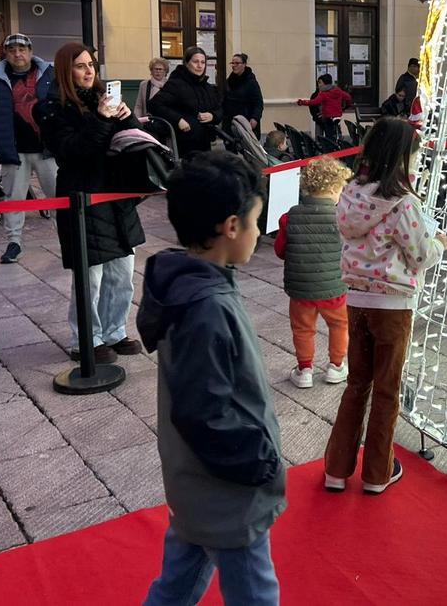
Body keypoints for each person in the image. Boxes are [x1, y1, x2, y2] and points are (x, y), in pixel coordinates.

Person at [137, 152, 284, 606]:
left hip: (197, 482)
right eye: (256, 222)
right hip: (228, 489)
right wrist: (261, 461)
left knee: (179, 583)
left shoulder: (193, 286)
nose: (259, 233)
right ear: (232, 226)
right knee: (255, 594)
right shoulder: (208, 306)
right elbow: (204, 410)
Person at [323, 118, 447, 494]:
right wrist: (441, 243)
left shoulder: (351, 194)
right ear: (402, 157)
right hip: (393, 304)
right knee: (387, 390)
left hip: (356, 299)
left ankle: (336, 469)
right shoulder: (403, 203)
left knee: (356, 384)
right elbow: (420, 256)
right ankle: (378, 472)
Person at [35, 42, 145, 364]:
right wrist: (100, 118)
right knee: (90, 275)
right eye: (80, 66)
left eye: (91, 65)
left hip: (115, 195)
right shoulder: (51, 108)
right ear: (65, 70)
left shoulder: (104, 99)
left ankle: (115, 331)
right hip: (83, 194)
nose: (88, 71)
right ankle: (85, 339)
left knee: (122, 272)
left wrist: (127, 118)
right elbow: (73, 150)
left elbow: (133, 141)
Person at [0, 33, 58, 265]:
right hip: (13, 151)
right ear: (6, 54)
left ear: (30, 51)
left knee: (58, 196)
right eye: (12, 50)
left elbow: (61, 104)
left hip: (46, 149)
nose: (17, 54)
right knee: (14, 199)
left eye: (22, 49)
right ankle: (14, 242)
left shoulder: (49, 74)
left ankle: (67, 238)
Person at [274, 156, 352, 389]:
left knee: (302, 329)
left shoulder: (289, 217)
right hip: (334, 289)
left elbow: (280, 251)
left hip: (301, 291)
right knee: (339, 325)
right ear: (335, 189)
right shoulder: (342, 219)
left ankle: (304, 370)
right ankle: (336, 367)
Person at [147, 47, 221, 155]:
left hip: (206, 142)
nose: (200, 66)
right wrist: (178, 119)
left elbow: (219, 108)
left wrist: (212, 116)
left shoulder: (207, 87)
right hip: (183, 144)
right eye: (195, 62)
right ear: (186, 63)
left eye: (203, 62)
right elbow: (155, 105)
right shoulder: (176, 84)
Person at [297, 73, 353, 141]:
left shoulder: (323, 93)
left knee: (329, 135)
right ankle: (338, 139)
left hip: (328, 117)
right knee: (335, 131)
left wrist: (302, 102)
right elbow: (348, 97)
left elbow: (314, 102)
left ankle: (329, 143)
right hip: (337, 116)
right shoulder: (338, 90)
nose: (319, 85)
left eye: (320, 83)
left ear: (325, 83)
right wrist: (346, 106)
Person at [222, 53, 264, 136]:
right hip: (230, 122)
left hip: (246, 123)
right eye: (232, 63)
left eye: (237, 63)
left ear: (244, 64)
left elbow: (258, 103)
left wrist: (255, 118)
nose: (234, 66)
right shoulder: (229, 81)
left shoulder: (251, 82)